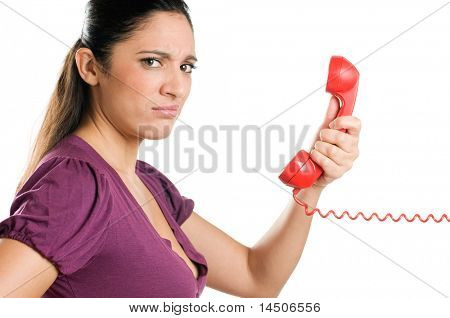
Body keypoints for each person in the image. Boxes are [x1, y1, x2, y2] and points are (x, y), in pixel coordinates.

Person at [0, 0, 361, 298]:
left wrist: (313, 183)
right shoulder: (78, 184)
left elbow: (257, 279)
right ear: (91, 67)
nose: (176, 88)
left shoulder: (148, 185)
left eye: (186, 66)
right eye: (152, 61)